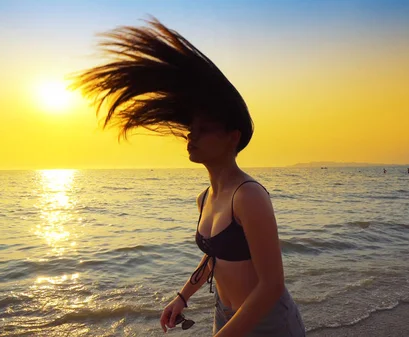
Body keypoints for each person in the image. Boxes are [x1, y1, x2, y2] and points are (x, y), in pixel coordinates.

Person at [73, 17, 305, 337]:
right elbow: (216, 258)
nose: (191, 138)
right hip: (225, 314)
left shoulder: (249, 196)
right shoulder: (206, 197)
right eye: (189, 130)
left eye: (204, 130)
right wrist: (182, 297)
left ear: (232, 138)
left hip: (266, 322)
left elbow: (271, 286)